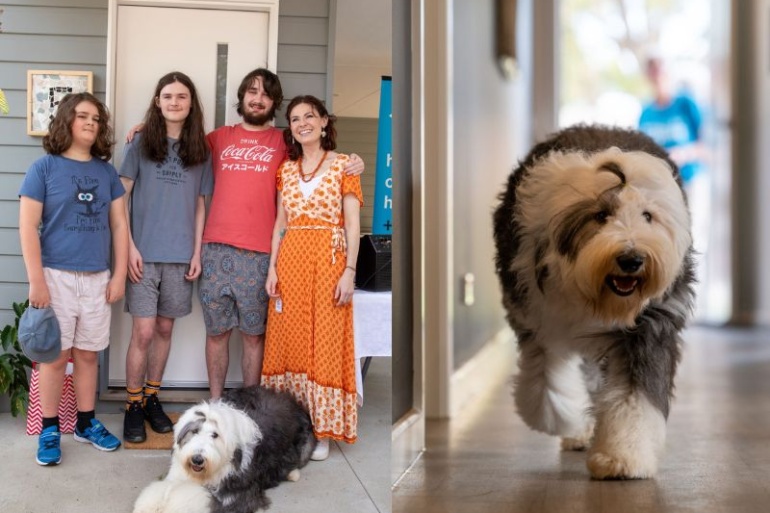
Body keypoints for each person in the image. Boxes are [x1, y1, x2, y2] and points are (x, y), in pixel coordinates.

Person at [197, 68, 364, 398]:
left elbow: (318, 162)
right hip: (216, 249)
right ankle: (215, 404)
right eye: (252, 91)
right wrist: (147, 127)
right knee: (216, 333)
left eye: (265, 94)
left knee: (254, 335)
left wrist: (353, 161)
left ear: (273, 103)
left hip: (262, 253)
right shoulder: (218, 138)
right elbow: (179, 143)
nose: (257, 99)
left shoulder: (284, 143)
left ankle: (250, 407)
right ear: (242, 96)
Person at [19, 92, 129, 465]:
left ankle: (86, 422)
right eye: (82, 116)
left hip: (97, 278)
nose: (90, 123)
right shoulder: (44, 168)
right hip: (56, 276)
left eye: (96, 119)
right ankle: (50, 428)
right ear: (66, 119)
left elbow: (119, 224)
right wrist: (37, 281)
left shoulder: (106, 172)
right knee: (54, 357)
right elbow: (28, 226)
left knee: (87, 355)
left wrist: (118, 275)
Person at [262, 95, 362, 461]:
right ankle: (295, 425)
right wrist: (272, 267)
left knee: (325, 344)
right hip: (291, 264)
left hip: (329, 263)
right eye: (295, 118)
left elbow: (353, 225)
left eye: (309, 116)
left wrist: (349, 271)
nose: (302, 122)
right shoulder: (285, 170)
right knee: (291, 344)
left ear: (323, 122)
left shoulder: (345, 167)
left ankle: (324, 431)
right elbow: (279, 224)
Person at [119, 72, 213, 443]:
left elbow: (201, 204)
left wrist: (196, 250)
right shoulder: (141, 143)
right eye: (168, 96)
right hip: (143, 255)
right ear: (158, 101)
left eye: (182, 97)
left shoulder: (201, 150)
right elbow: (121, 197)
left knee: (164, 329)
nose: (175, 102)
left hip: (179, 256)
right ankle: (132, 405)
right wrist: (129, 247)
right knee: (142, 331)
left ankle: (153, 396)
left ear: (191, 104)